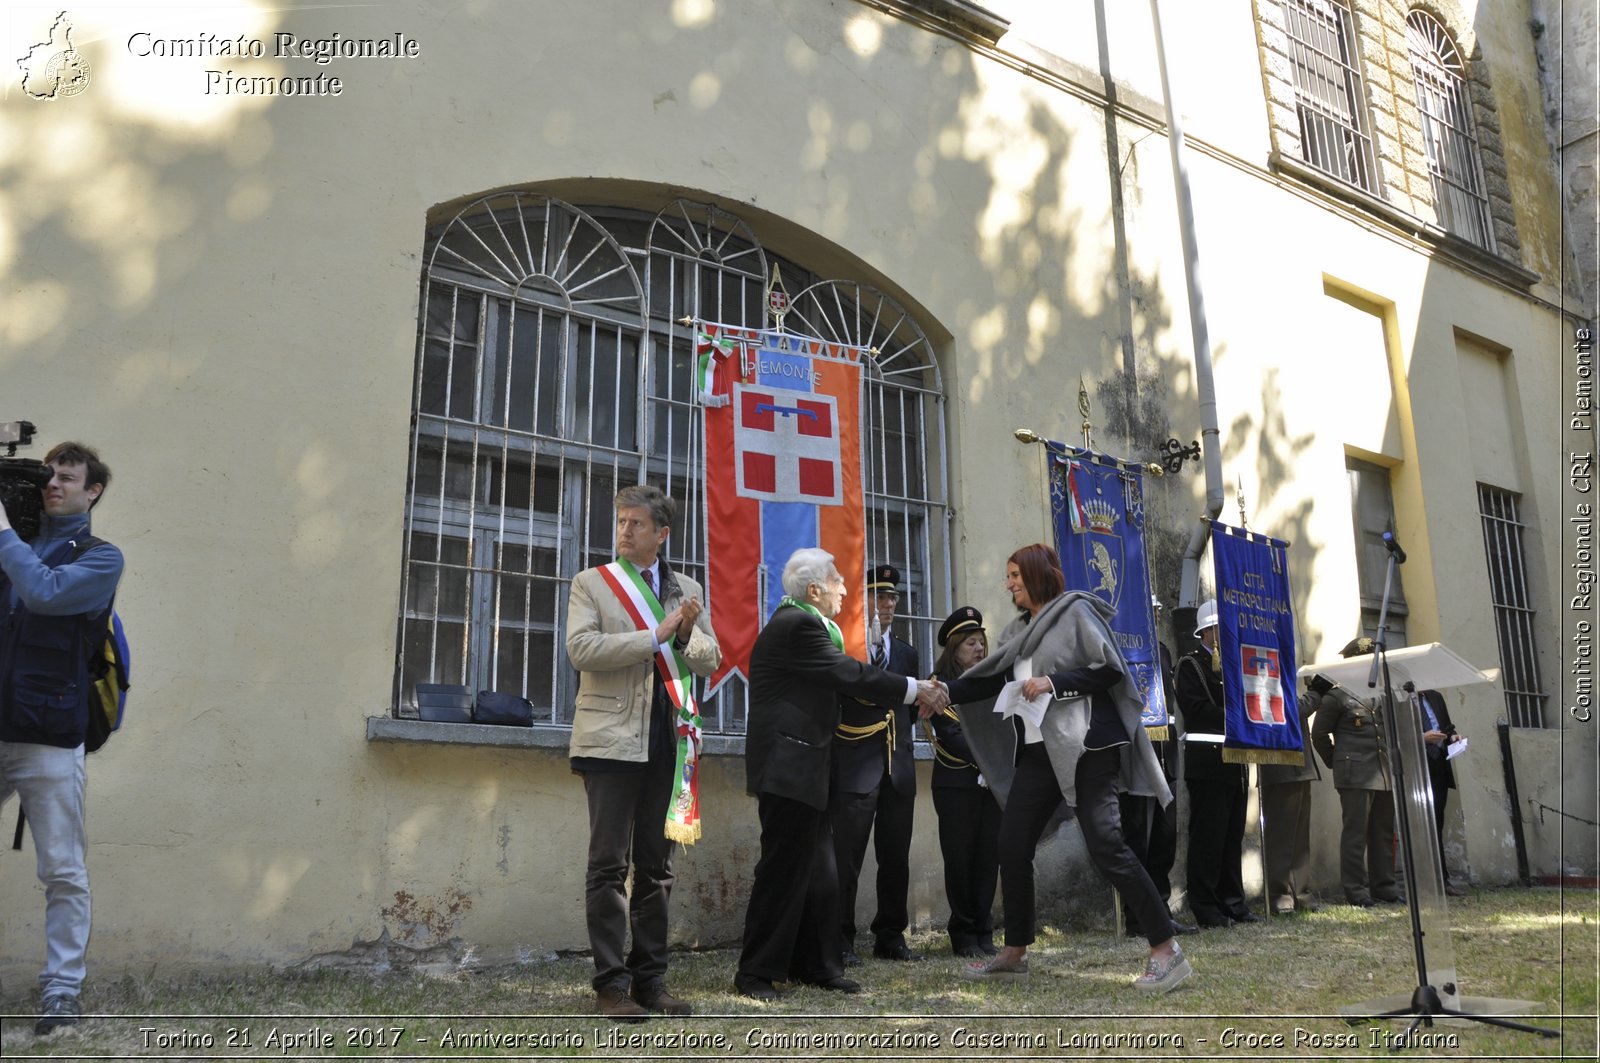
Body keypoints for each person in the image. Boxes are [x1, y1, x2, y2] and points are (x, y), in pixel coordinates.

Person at [941, 544, 1191, 993]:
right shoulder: (1019, 631)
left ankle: (1166, 950)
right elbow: (992, 677)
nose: (1009, 583)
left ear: (1037, 575)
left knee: (1108, 846)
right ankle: (1014, 951)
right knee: (1012, 843)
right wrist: (942, 693)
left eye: (1015, 574)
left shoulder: (1075, 613)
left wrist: (1053, 682)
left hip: (1088, 746)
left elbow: (1109, 671)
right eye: (1008, 575)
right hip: (1040, 753)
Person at [735, 549, 947, 1001]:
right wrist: (915, 689)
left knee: (821, 873)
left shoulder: (809, 626)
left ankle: (815, 964)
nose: (846, 589)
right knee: (783, 871)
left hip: (811, 767)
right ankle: (755, 973)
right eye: (836, 581)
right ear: (814, 591)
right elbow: (849, 674)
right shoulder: (797, 627)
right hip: (789, 768)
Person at [566, 485, 721, 1020]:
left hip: (669, 736)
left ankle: (651, 980)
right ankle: (612, 985)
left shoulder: (686, 587)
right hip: (610, 739)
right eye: (621, 522)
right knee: (608, 864)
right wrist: (655, 635)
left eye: (636, 523)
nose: (625, 531)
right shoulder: (592, 583)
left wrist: (682, 639)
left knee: (656, 868)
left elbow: (709, 658)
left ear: (662, 533)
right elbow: (580, 649)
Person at [0, 442, 124, 1036]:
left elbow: (43, 592)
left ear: (91, 490)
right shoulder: (12, 545)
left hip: (49, 735)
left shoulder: (101, 559)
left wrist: (2, 534)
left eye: (66, 478)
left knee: (63, 871)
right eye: (46, 477)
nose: (53, 486)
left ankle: (61, 992)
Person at [831, 563, 920, 964]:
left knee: (895, 858)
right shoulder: (847, 647)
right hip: (855, 765)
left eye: (892, 598)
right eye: (877, 596)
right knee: (846, 856)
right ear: (861, 600)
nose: (886, 604)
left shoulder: (906, 653)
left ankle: (891, 934)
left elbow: (910, 713)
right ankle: (839, 937)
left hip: (897, 767)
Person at [1174, 599, 1259, 928]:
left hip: (1235, 764)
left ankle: (1233, 903)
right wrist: (1239, 717)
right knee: (1208, 838)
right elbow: (1197, 710)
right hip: (1208, 762)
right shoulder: (1190, 666)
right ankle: (1206, 907)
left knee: (1231, 836)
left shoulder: (1236, 667)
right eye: (1220, 629)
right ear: (1207, 631)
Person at [924, 605, 1002, 957]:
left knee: (988, 859)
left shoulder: (993, 682)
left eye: (981, 642)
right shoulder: (938, 686)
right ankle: (964, 933)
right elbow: (950, 735)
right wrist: (989, 758)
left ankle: (984, 930)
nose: (979, 649)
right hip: (956, 785)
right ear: (954, 647)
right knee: (960, 859)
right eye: (971, 643)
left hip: (992, 785)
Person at [1116, 595, 1194, 938]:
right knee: (1137, 838)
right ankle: (1136, 917)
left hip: (1166, 754)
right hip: (1137, 755)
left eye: (1159, 611)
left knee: (1164, 838)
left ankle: (1160, 910)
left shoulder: (1161, 649)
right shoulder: (1122, 647)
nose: (1158, 615)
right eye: (1153, 610)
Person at [1310, 637, 1398, 908]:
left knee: (1383, 832)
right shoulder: (1337, 696)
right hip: (1354, 774)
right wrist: (1338, 763)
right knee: (1355, 834)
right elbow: (1319, 734)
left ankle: (1384, 886)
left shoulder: (1381, 692)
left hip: (1381, 772)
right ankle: (1356, 891)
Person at [1261, 675, 1325, 915]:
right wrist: (1316, 694)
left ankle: (1301, 893)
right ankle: (1279, 896)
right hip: (1281, 768)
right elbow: (1289, 710)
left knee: (1299, 839)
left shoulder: (1281, 677)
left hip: (1299, 767)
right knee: (1281, 839)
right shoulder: (1262, 678)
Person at [1417, 688, 1466, 896]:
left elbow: (1447, 726)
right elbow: (1393, 734)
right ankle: (1421, 882)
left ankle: (1442, 880)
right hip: (1416, 764)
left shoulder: (1434, 696)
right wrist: (1421, 737)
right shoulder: (1398, 698)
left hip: (1439, 764)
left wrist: (1453, 737)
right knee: (1419, 825)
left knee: (1436, 822)